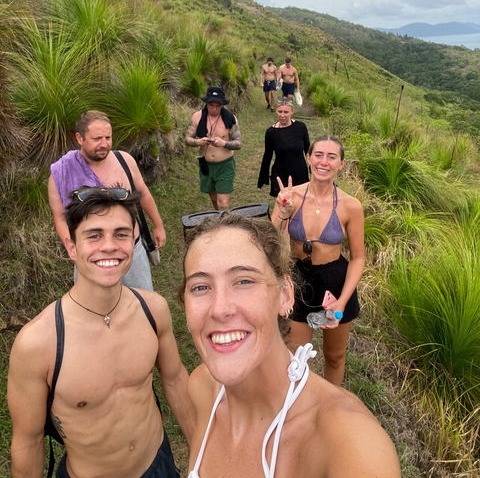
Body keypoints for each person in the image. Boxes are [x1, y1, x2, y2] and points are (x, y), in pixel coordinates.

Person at [181, 214, 400, 478]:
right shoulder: (201, 388)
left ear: (285, 294)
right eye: (200, 286)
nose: (219, 309)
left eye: (244, 281)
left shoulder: (350, 442)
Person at [8, 186, 195, 478]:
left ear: (133, 240)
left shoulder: (153, 311)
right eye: (94, 235)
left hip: (158, 463)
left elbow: (175, 381)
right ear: (72, 247)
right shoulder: (39, 343)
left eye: (120, 234)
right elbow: (28, 442)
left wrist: (200, 451)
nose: (109, 246)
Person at [271, 135, 364, 386]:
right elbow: (273, 243)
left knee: (334, 356)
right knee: (295, 356)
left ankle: (330, 407)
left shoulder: (351, 206)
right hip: (298, 278)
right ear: (308, 158)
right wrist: (283, 212)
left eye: (331, 157)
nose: (324, 162)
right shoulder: (290, 196)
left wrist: (342, 302)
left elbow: (357, 258)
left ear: (341, 164)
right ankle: (296, 406)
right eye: (319, 155)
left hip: (335, 280)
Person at [48, 110, 166, 291]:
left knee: (142, 303)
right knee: (93, 310)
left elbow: (143, 193)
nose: (104, 144)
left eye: (108, 138)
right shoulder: (62, 172)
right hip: (90, 254)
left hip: (130, 248)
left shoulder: (124, 161)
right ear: (80, 138)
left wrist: (158, 226)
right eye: (97, 139)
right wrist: (73, 248)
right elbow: (60, 217)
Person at [185, 86, 242, 210]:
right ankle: (220, 220)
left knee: (223, 203)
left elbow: (238, 143)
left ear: (222, 105)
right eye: (211, 105)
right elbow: (188, 139)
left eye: (218, 106)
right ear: (207, 103)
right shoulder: (197, 117)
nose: (214, 108)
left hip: (225, 165)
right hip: (206, 165)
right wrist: (198, 141)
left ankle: (226, 226)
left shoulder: (230, 119)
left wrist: (224, 143)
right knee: (214, 199)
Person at [257, 98, 310, 198]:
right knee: (282, 205)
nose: (282, 115)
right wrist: (263, 178)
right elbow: (267, 156)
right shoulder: (271, 132)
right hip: (280, 174)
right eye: (279, 111)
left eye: (286, 112)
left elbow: (308, 151)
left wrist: (313, 170)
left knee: (299, 206)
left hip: (300, 173)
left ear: (292, 112)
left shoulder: (301, 127)